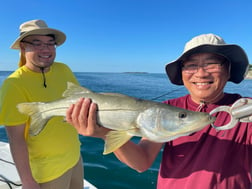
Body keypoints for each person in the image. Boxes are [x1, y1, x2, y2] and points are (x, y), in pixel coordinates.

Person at [66, 33, 252, 188]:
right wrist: (105, 133)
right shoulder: (167, 108)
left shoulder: (246, 111)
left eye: (212, 64)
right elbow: (142, 162)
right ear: (182, 73)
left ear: (228, 71)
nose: (201, 73)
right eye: (191, 65)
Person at [0, 20, 83, 189]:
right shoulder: (14, 84)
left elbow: (80, 100)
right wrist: (28, 181)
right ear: (23, 47)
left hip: (75, 159)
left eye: (50, 44)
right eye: (37, 43)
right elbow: (16, 139)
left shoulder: (63, 69)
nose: (46, 49)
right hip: (48, 172)